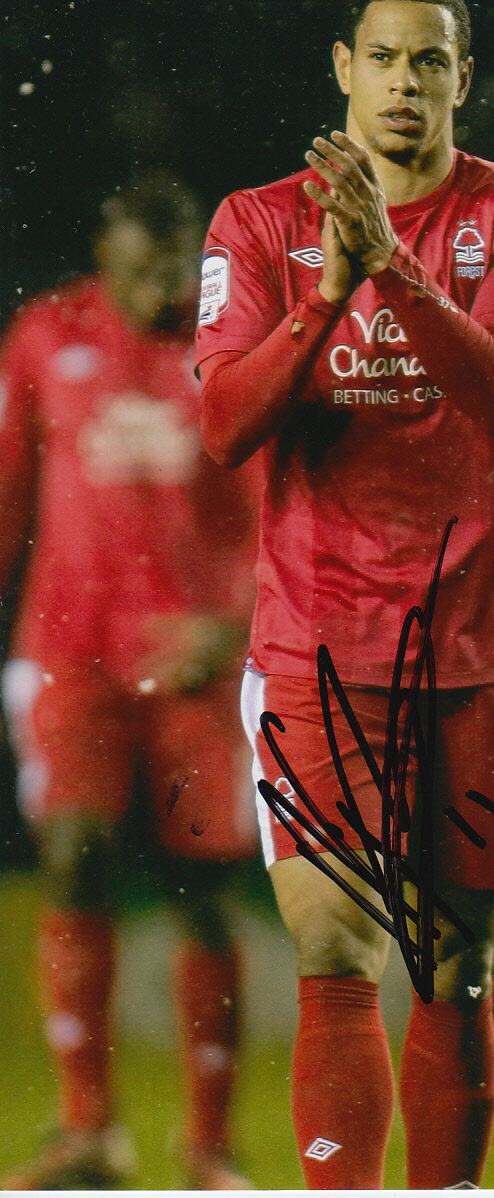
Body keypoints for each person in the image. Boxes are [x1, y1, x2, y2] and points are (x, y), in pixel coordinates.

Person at [196, 0, 494, 1188]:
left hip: (485, 637)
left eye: (428, 60)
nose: (403, 81)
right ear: (341, 71)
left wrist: (393, 267)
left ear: (463, 75)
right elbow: (223, 425)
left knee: (457, 963)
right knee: (337, 947)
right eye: (382, 59)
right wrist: (327, 291)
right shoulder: (258, 222)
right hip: (318, 644)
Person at [0, 175, 258, 1189]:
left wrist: (231, 626)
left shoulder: (236, 347)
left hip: (198, 667)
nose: (165, 285)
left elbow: (286, 506)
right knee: (74, 851)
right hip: (71, 656)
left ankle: (209, 1147)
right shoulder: (43, 337)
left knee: (201, 886)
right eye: (145, 265)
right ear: (105, 259)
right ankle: (90, 1131)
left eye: (180, 265)